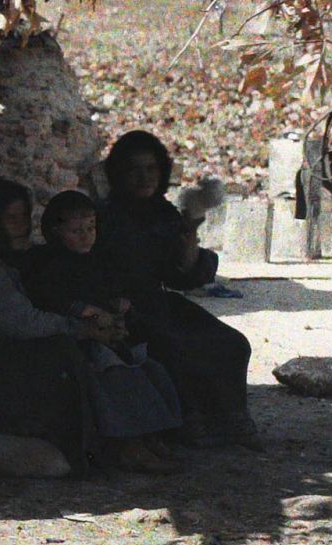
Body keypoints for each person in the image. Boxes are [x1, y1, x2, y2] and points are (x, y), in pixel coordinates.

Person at [0, 177, 109, 473]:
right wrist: (79, 328)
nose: (22, 226)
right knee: (60, 352)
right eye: (11, 219)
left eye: (24, 217)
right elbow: (22, 322)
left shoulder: (6, 261)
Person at [94, 130, 258, 450]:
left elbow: (181, 278)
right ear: (119, 173)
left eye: (152, 169)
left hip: (158, 301)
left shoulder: (163, 213)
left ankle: (231, 418)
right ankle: (188, 423)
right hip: (120, 307)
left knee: (232, 343)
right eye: (135, 170)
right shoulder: (104, 217)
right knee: (173, 346)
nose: (145, 177)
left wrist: (190, 244)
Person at [22, 190, 183, 472]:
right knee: (119, 376)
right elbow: (52, 300)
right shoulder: (49, 264)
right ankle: (129, 445)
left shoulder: (99, 261)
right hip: (77, 341)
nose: (86, 236)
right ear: (56, 231)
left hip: (110, 337)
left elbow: (112, 290)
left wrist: (119, 306)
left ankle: (150, 436)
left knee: (151, 369)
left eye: (90, 228)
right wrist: (87, 312)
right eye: (75, 230)